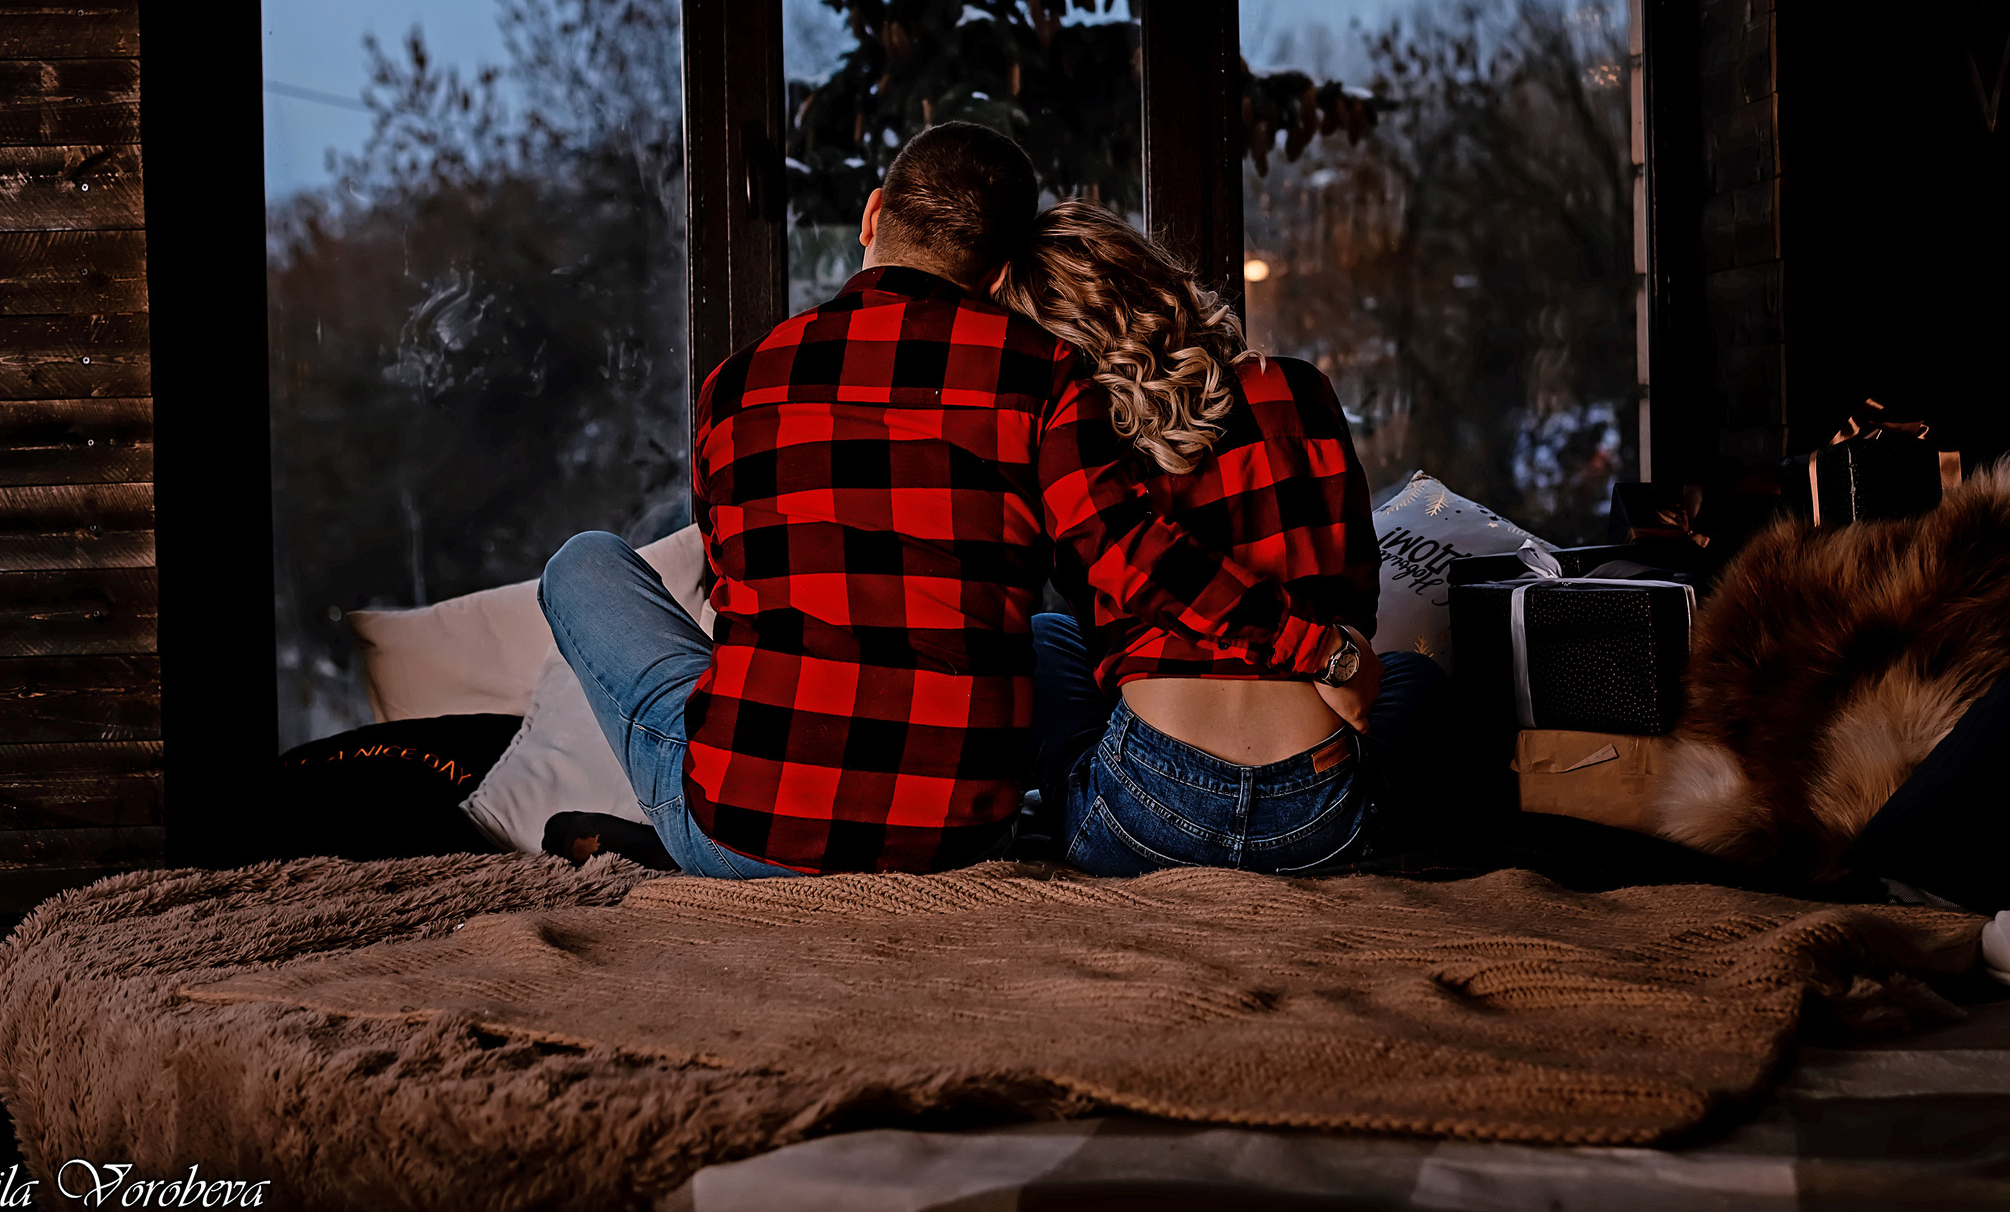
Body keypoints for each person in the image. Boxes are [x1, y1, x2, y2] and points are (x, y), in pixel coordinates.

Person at [536, 123, 1348, 878]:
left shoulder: (735, 382)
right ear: (1001, 274)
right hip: (957, 841)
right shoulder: (1048, 376)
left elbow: (730, 590)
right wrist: (1316, 648)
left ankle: (690, 837)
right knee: (1046, 633)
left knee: (582, 564)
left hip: (748, 830)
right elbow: (1119, 553)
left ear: (873, 215)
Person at [1000, 199, 1439, 876]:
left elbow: (1103, 611)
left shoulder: (1073, 444)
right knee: (1417, 678)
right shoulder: (1299, 388)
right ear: (1150, 278)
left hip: (1144, 813)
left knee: (1046, 636)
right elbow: (1353, 600)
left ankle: (1063, 802)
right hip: (1317, 813)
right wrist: (1321, 651)